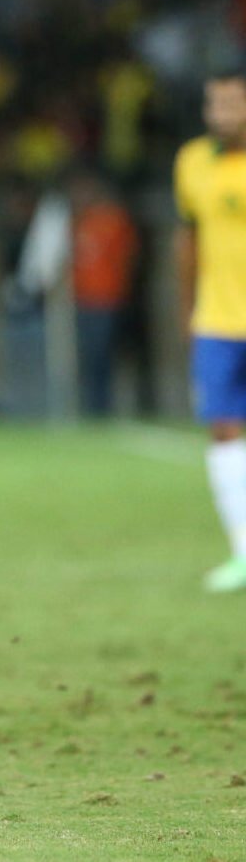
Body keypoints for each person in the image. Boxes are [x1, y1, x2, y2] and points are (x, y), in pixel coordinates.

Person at [175, 68, 246, 593]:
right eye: (214, 104)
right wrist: (187, 309)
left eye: (231, 104)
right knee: (223, 430)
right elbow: (188, 239)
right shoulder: (192, 162)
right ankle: (243, 552)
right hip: (218, 320)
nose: (220, 115)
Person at [70, 170, 139, 417]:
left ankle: (102, 409)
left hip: (108, 299)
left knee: (102, 356)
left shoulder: (114, 220)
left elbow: (127, 258)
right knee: (88, 357)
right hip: (82, 299)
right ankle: (92, 408)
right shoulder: (79, 220)